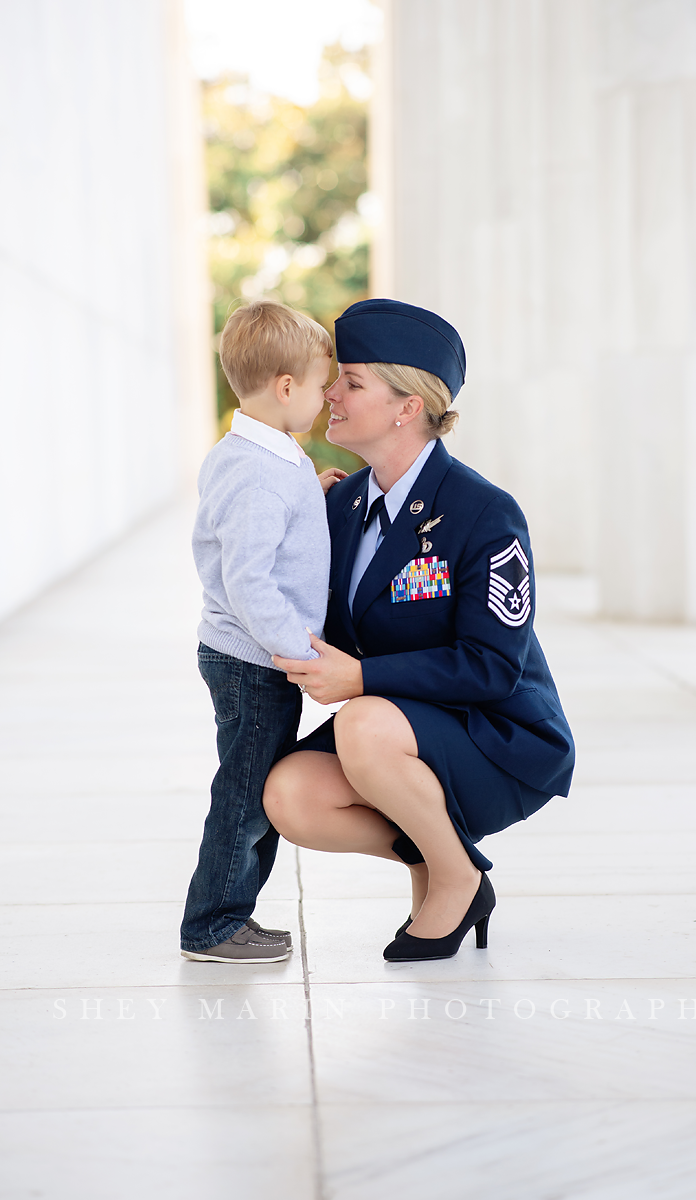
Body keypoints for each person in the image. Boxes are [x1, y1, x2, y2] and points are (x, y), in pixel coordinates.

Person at [263, 299, 575, 962]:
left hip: (496, 735)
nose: (331, 395)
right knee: (290, 795)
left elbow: (493, 667)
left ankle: (455, 878)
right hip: (396, 736)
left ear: (407, 407)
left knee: (361, 722)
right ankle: (440, 855)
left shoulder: (483, 511)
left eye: (352, 382)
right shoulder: (342, 504)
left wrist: (361, 678)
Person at [180, 300, 346, 964]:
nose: (325, 397)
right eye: (318, 385)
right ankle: (213, 924)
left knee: (253, 790)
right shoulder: (259, 475)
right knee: (247, 796)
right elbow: (250, 580)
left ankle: (228, 914)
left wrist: (316, 498)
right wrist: (301, 652)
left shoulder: (267, 458)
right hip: (254, 662)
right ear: (284, 387)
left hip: (253, 659)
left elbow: (276, 529)